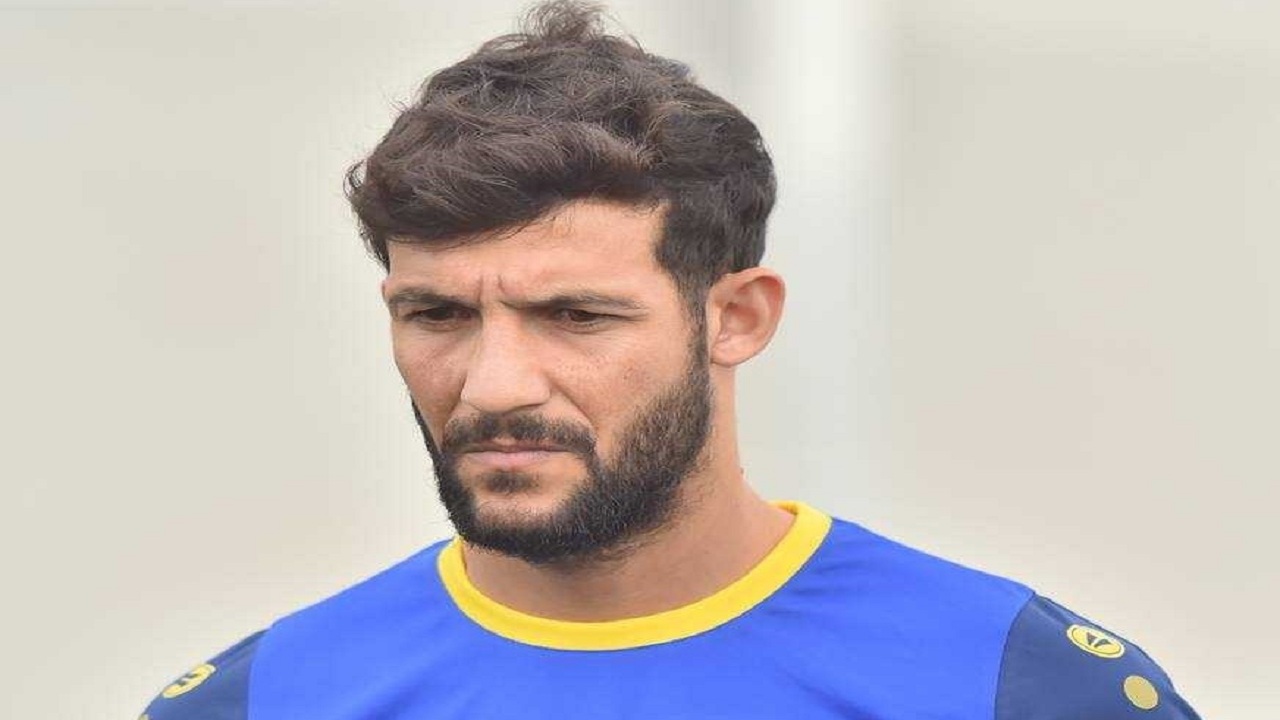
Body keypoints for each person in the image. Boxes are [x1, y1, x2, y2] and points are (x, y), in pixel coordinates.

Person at [140, 2, 1201, 718]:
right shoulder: (268, 701)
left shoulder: (1009, 688)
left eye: (575, 316)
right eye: (437, 315)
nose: (494, 384)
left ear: (735, 318)